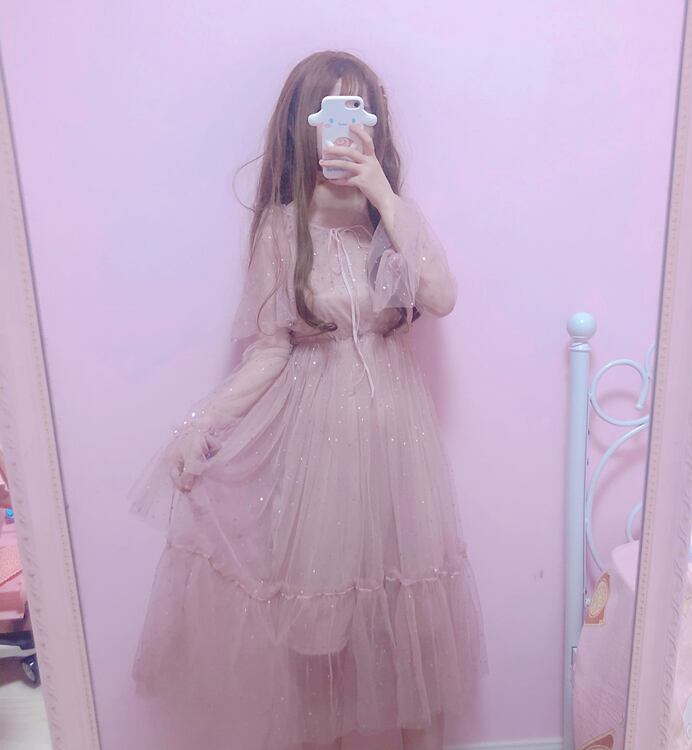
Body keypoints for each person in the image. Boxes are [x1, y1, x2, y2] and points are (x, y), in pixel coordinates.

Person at [128, 50, 488, 750]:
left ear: (375, 127)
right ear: (303, 126)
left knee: (412, 619)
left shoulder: (392, 222)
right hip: (317, 444)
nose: (343, 128)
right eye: (328, 112)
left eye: (358, 111)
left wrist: (385, 197)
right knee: (318, 629)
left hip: (398, 441)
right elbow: (269, 349)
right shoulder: (280, 228)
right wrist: (203, 426)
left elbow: (441, 297)